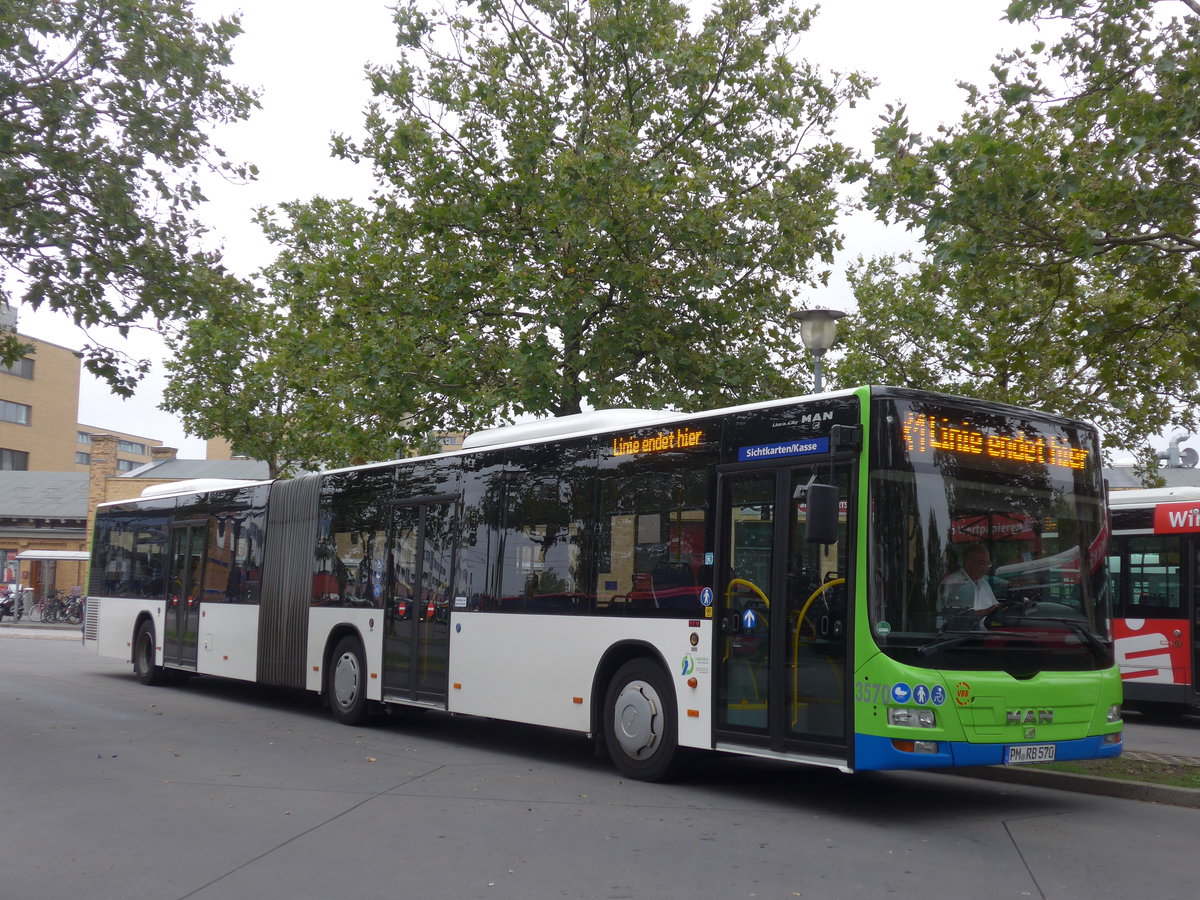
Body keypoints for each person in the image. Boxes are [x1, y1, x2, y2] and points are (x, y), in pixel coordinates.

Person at [940, 543, 1001, 620]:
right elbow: (954, 618)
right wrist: (984, 613)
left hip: (987, 630)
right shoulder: (953, 583)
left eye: (988, 563)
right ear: (968, 563)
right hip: (966, 631)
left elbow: (995, 607)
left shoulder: (984, 583)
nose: (986, 568)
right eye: (982, 563)